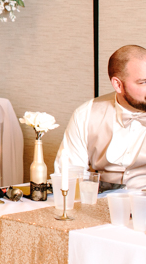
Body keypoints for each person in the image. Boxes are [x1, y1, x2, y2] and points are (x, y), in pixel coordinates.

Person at [55, 45, 146, 190]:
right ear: (117, 84)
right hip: (100, 204)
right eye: (143, 82)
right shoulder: (86, 114)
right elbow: (69, 172)